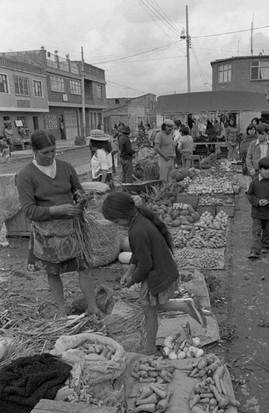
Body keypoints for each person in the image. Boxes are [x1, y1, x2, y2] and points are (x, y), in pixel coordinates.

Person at [102, 192, 206, 354]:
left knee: (149, 312)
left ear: (123, 214)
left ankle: (149, 348)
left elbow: (145, 264)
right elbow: (138, 253)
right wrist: (129, 271)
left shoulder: (138, 230)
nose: (117, 225)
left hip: (156, 274)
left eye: (116, 221)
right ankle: (185, 306)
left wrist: (133, 280)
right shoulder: (139, 220)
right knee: (153, 305)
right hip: (162, 270)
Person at [15, 130, 99, 320]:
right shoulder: (26, 175)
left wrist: (81, 200)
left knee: (83, 268)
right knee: (53, 272)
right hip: (47, 234)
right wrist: (56, 210)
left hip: (72, 229)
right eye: (45, 152)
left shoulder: (66, 167)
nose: (50, 156)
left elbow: (77, 190)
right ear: (34, 151)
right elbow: (29, 211)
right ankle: (62, 310)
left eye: (53, 151)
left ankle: (93, 308)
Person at [246, 157, 269, 259]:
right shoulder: (255, 182)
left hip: (268, 212)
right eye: (265, 169)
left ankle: (265, 245)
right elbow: (250, 195)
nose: (268, 171)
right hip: (257, 212)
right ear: (260, 169)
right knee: (256, 231)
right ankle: (254, 251)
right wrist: (257, 201)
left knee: (266, 230)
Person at [154, 119, 175, 184]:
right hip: (163, 159)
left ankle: (169, 191)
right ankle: (162, 192)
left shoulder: (170, 135)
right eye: (168, 127)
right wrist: (164, 156)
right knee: (163, 179)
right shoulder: (159, 135)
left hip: (171, 159)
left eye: (171, 127)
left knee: (169, 178)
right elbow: (156, 147)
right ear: (164, 127)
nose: (170, 128)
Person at [239, 123, 257, 191]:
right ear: (247, 131)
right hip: (245, 158)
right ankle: (248, 188)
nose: (252, 131)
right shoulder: (245, 139)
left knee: (255, 174)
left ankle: (255, 189)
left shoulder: (257, 138)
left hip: (255, 158)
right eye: (250, 130)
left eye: (253, 129)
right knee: (247, 175)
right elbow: (242, 149)